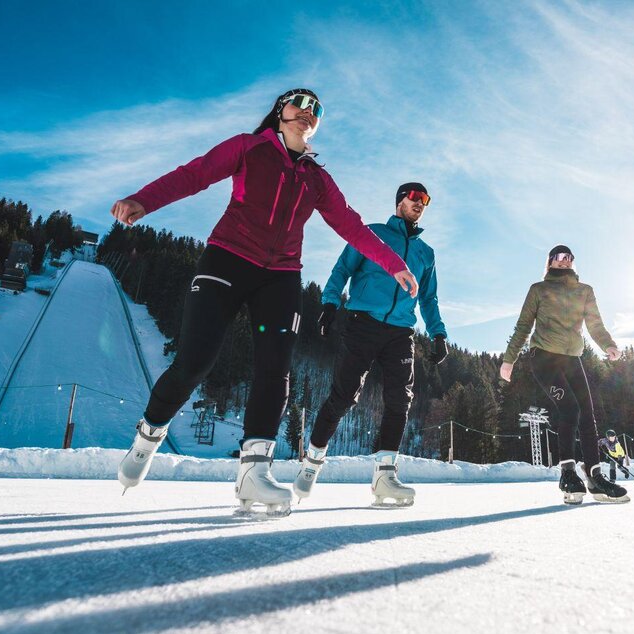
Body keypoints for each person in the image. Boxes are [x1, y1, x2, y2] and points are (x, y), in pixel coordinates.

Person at [113, 88, 419, 517]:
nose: (307, 113)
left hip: (280, 276)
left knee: (275, 369)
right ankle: (148, 437)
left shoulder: (317, 179)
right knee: (195, 362)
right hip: (227, 260)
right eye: (299, 104)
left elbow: (351, 225)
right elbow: (194, 173)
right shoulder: (248, 148)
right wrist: (144, 199)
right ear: (280, 111)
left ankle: (253, 473)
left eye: (316, 110)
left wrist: (394, 265)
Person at [294, 182, 448, 507]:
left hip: (401, 332)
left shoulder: (426, 253)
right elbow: (342, 270)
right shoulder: (372, 234)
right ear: (399, 201)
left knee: (399, 400)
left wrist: (438, 333)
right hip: (363, 322)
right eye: (414, 197)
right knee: (344, 395)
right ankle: (312, 461)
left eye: (425, 200)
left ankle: (384, 476)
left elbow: (429, 298)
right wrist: (330, 303)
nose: (420, 203)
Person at [499, 245, 629, 505]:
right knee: (569, 408)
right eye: (558, 257)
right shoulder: (539, 289)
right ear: (549, 263)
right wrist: (508, 360)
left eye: (568, 257)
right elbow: (524, 325)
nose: (563, 260)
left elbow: (595, 324)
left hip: (572, 359)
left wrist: (608, 344)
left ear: (573, 262)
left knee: (587, 413)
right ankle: (568, 473)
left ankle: (595, 476)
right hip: (543, 356)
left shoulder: (584, 291)